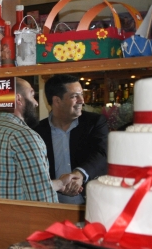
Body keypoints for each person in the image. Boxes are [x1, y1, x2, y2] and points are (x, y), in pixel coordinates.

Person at [0, 78, 79, 202]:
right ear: (18, 99)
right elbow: (42, 198)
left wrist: (60, 183)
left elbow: (15, 184)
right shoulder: (24, 136)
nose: (36, 103)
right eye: (32, 95)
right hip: (17, 215)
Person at [34, 74, 108, 204]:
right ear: (57, 101)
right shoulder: (37, 131)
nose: (82, 101)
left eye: (81, 95)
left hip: (91, 203)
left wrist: (79, 174)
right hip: (51, 203)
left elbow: (102, 153)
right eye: (74, 96)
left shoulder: (95, 122)